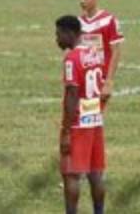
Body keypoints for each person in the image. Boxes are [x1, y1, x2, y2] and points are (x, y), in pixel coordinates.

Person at [55, 15, 107, 214]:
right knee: (95, 173)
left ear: (69, 33)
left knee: (71, 174)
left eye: (58, 34)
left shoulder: (72, 58)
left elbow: (72, 95)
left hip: (78, 124)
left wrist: (67, 131)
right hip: (95, 120)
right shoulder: (95, 53)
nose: (57, 39)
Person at [77, 0, 124, 106]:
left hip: (99, 79)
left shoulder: (108, 20)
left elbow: (116, 51)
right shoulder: (78, 22)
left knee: (91, 114)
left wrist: (109, 81)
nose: (82, 1)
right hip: (82, 79)